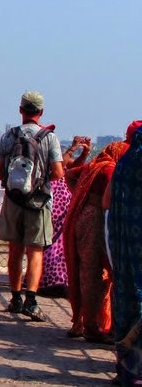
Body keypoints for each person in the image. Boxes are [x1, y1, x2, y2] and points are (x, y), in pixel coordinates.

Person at [0, 91, 64, 322]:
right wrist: (39, 181)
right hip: (38, 203)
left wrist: (15, 181)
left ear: (21, 110)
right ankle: (31, 302)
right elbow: (58, 172)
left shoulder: (8, 136)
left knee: (15, 251)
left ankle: (15, 299)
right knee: (35, 252)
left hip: (13, 201)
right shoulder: (49, 138)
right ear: (41, 112)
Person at [63, 127, 138, 344]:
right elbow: (110, 199)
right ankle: (93, 328)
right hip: (98, 222)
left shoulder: (96, 165)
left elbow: (70, 174)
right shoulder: (110, 170)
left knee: (88, 273)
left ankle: (84, 323)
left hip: (84, 218)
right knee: (99, 274)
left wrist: (80, 196)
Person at [108, 125, 142, 385]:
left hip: (124, 249)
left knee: (126, 301)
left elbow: (107, 203)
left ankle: (126, 370)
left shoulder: (125, 164)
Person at [39, 133, 90, 296]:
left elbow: (74, 166)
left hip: (63, 205)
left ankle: (60, 280)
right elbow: (60, 164)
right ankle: (47, 281)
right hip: (52, 203)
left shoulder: (62, 157)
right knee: (49, 242)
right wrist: (73, 148)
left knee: (62, 244)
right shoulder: (44, 158)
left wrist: (84, 153)